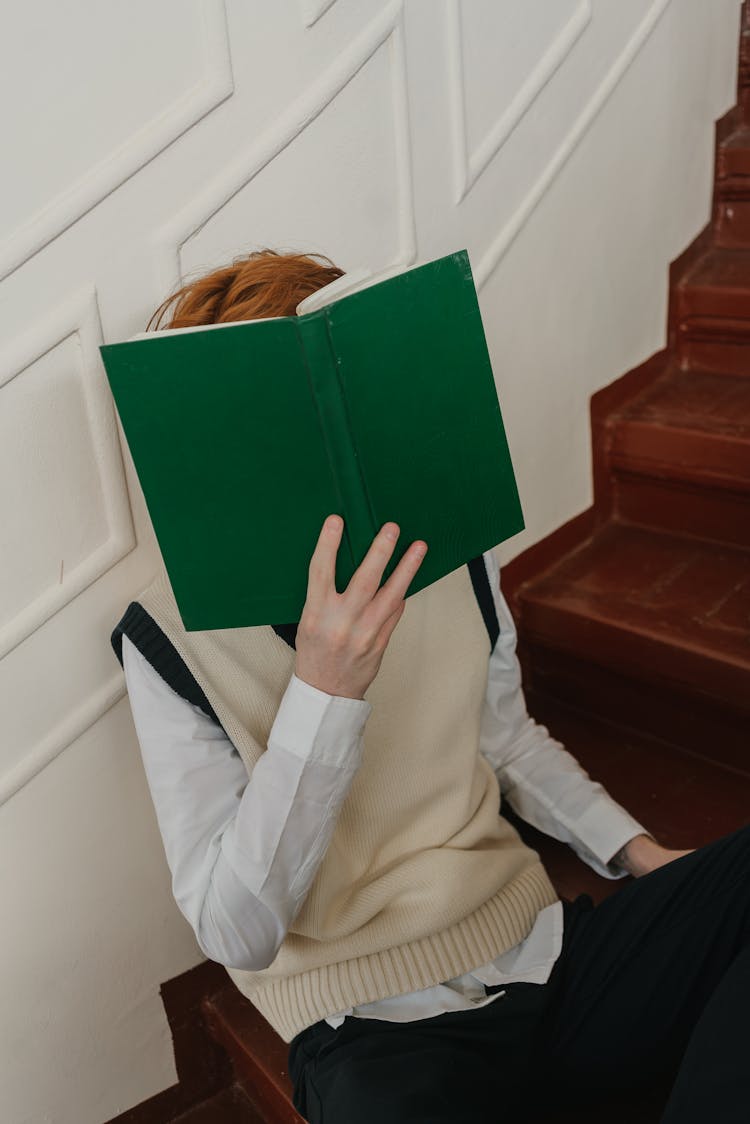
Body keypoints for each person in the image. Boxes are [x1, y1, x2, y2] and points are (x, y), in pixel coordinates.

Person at [111, 248, 749, 1123]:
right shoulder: (167, 639)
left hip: (543, 953)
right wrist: (323, 694)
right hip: (375, 1036)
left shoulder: (445, 543)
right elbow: (236, 933)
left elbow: (507, 738)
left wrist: (641, 854)